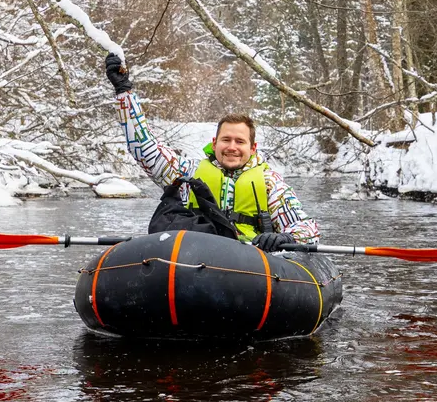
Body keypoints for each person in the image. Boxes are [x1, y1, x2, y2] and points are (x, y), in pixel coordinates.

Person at [105, 52, 320, 252]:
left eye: (240, 141)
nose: (232, 147)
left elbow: (307, 228)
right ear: (215, 143)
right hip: (194, 258)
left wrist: (287, 238)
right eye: (226, 140)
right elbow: (144, 149)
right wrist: (124, 92)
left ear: (252, 148)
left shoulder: (270, 183)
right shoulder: (187, 173)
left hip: (250, 264)